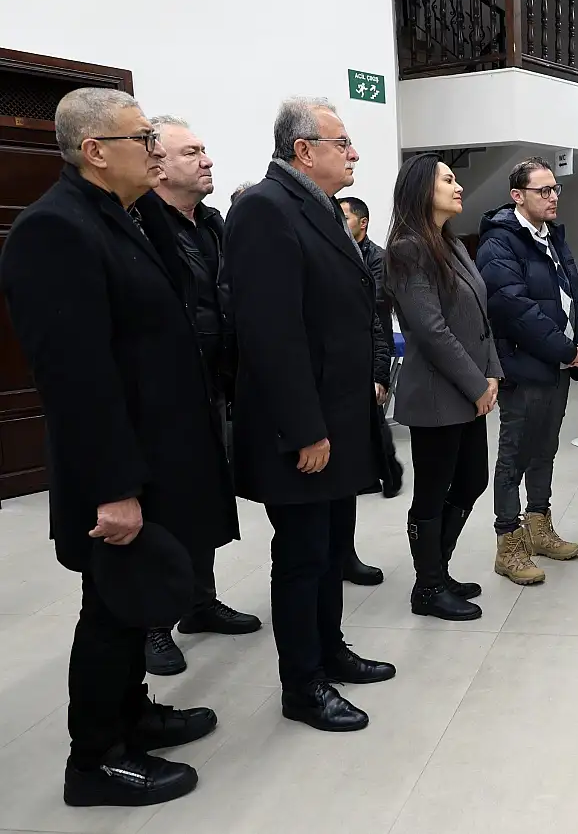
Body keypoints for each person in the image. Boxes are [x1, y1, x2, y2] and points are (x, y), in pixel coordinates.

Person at [0, 87, 237, 806]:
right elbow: (74, 376)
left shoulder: (130, 219)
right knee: (108, 608)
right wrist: (114, 486)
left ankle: (130, 712)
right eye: (144, 140)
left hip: (156, 453)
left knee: (132, 602)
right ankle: (94, 760)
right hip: (116, 466)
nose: (157, 152)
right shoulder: (56, 230)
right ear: (96, 151)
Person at [225, 97, 395, 733]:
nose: (353, 153)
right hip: (305, 428)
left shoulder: (320, 207)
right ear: (304, 150)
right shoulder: (266, 209)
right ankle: (302, 685)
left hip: (339, 420)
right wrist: (306, 429)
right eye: (342, 142)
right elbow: (272, 332)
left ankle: (330, 651)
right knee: (300, 558)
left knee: (328, 551)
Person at [145, 115, 261, 677]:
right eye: (192, 152)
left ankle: (198, 601)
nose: (207, 160)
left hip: (214, 384)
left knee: (207, 499)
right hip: (167, 393)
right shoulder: (144, 227)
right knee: (165, 509)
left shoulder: (213, 223)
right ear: (158, 164)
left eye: (205, 150)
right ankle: (153, 623)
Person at [384, 153, 500, 621]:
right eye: (448, 180)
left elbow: (479, 320)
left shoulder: (450, 243)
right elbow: (430, 330)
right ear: (420, 190)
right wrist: (477, 384)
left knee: (472, 479)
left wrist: (490, 373)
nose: (458, 187)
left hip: (468, 387)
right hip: (436, 393)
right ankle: (427, 587)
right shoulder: (409, 248)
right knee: (432, 491)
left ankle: (438, 567)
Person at [478, 158, 578, 585]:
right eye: (542, 191)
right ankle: (508, 542)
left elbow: (576, 296)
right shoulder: (499, 243)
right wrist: (565, 349)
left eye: (555, 190)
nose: (552, 197)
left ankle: (539, 524)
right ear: (517, 196)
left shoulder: (552, 237)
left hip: (558, 365)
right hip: (525, 366)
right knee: (515, 455)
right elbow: (514, 308)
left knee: (545, 449)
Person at [338, 195, 404, 587]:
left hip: (368, 354)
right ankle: (382, 469)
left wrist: (379, 373)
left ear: (362, 223)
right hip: (342, 370)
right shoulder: (334, 254)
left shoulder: (375, 258)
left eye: (345, 217)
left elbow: (376, 309)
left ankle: (386, 469)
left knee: (373, 425)